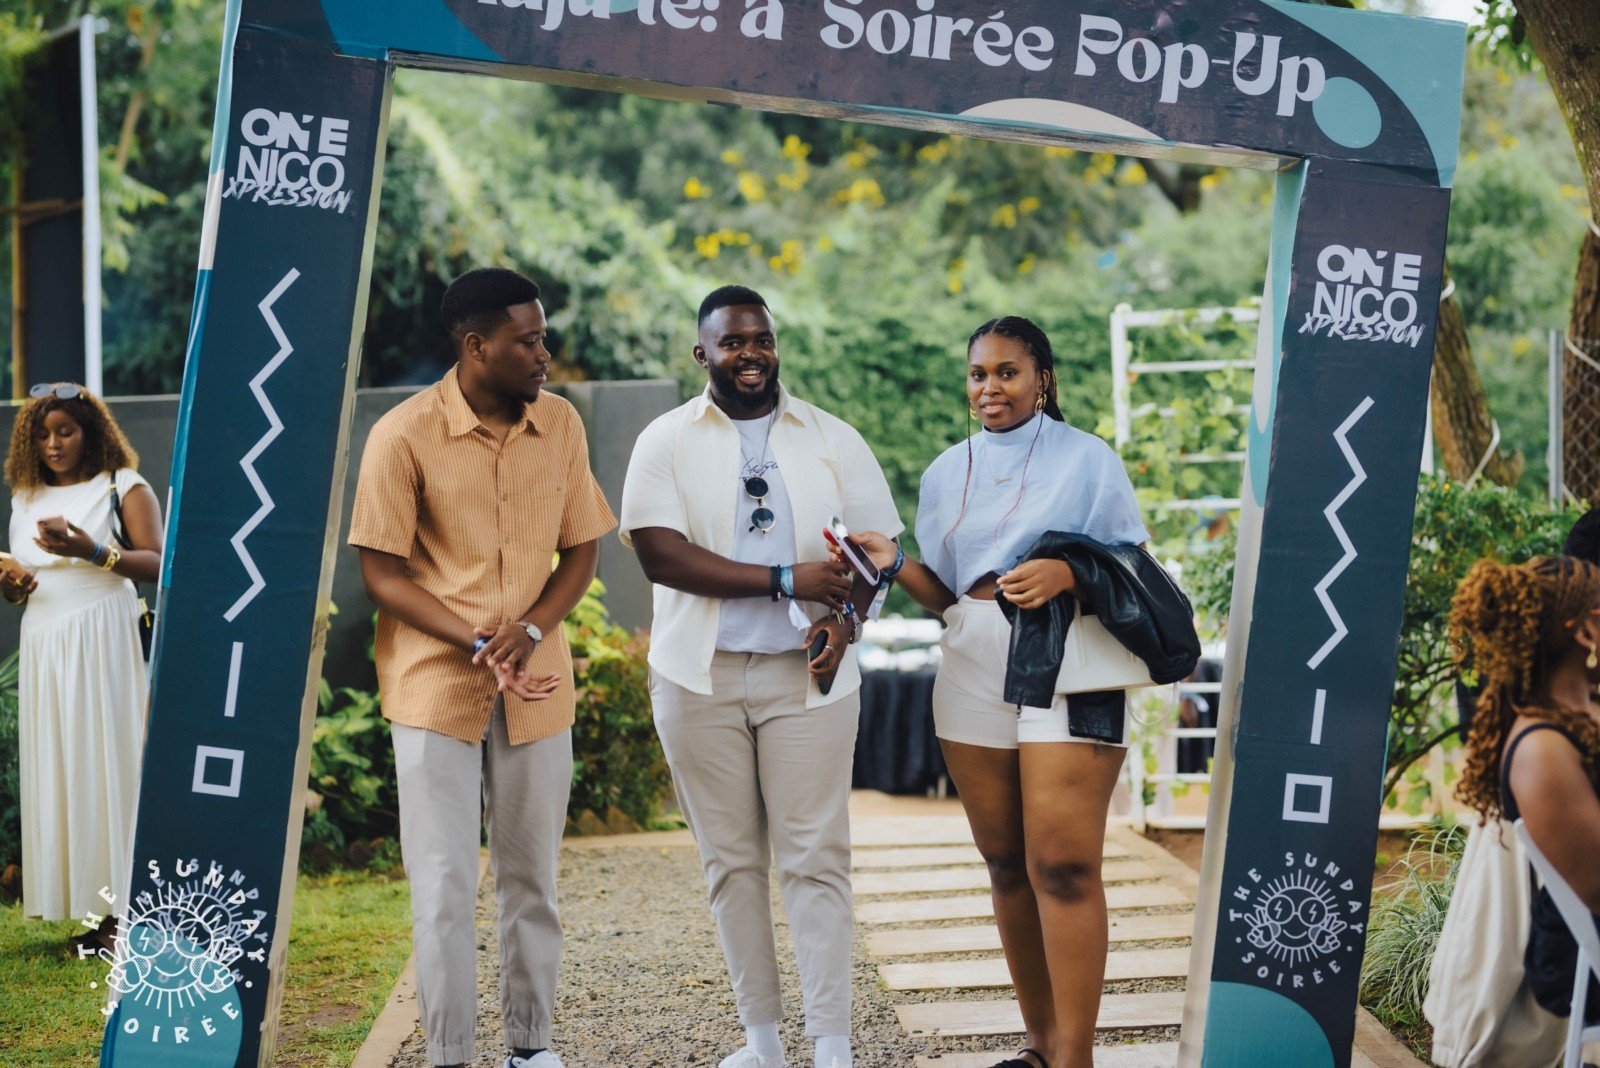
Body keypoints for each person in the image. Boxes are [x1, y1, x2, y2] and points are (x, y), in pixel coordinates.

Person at [851, 316, 1149, 1068]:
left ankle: (1077, 1059)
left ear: (1042, 378)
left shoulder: (1088, 459)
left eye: (1007, 372)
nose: (990, 387)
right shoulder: (945, 471)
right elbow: (947, 592)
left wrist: (1070, 571)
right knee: (1007, 864)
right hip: (973, 656)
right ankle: (1041, 1048)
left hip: (1069, 655)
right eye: (978, 374)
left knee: (1064, 866)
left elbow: (1134, 566)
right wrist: (895, 562)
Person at [619, 285, 902, 1068]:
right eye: (733, 342)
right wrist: (785, 580)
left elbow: (877, 553)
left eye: (762, 340)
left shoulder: (831, 436)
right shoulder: (666, 439)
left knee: (816, 859)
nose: (751, 354)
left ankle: (833, 1046)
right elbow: (661, 555)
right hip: (697, 678)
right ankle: (763, 1043)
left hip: (804, 678)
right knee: (731, 862)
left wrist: (846, 623)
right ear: (702, 353)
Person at [349, 268, 616, 1068]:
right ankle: (451, 1055)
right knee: (442, 887)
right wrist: (479, 643)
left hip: (538, 685)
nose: (544, 354)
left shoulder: (560, 424)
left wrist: (529, 629)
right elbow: (382, 573)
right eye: (527, 341)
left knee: (533, 881)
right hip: (435, 687)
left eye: (543, 337)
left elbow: (583, 548)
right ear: (476, 346)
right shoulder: (401, 434)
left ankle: (531, 1050)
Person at [3, 383, 163, 947]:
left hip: (103, 637)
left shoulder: (123, 486)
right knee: (65, 765)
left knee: (110, 763)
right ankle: (93, 907)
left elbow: (161, 563)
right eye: (42, 434)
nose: (53, 444)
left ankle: (131, 912)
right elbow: (26, 581)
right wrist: (13, 585)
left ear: (90, 433)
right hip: (45, 641)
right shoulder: (25, 497)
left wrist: (92, 551)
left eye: (65, 431)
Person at [1444, 556, 1600, 1051]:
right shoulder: (1541, 749)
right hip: (1580, 959)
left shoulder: (1581, 715)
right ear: (1585, 630)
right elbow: (1597, 887)